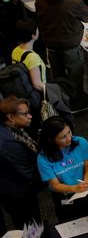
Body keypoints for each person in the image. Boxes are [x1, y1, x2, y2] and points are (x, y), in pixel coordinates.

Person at [35, 0, 88, 112]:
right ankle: (77, 103)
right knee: (75, 75)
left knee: (57, 74)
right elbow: (86, 16)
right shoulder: (73, 0)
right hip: (70, 43)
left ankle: (61, 100)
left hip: (50, 43)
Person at [37, 116, 88, 223]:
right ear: (51, 139)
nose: (69, 138)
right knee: (71, 225)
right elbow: (55, 185)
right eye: (63, 137)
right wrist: (75, 188)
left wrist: (87, 183)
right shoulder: (43, 158)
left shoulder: (81, 142)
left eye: (69, 132)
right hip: (65, 195)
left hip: (86, 189)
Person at [0, 97, 40, 231]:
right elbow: (28, 173)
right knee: (30, 228)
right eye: (25, 114)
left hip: (14, 186)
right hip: (18, 193)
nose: (30, 116)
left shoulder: (13, 129)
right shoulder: (8, 144)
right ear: (11, 117)